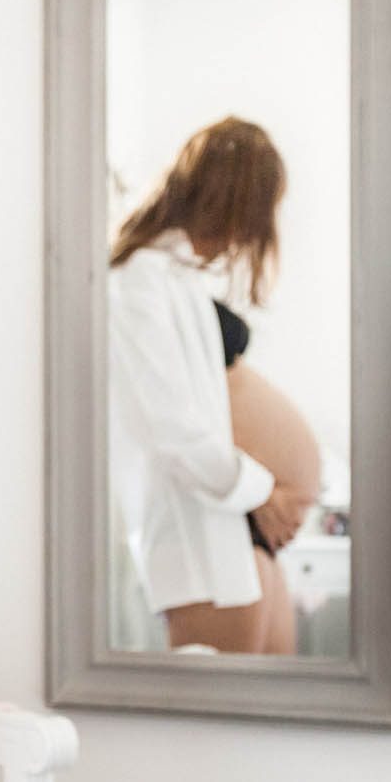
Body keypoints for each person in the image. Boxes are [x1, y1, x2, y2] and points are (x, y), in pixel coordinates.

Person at [107, 115, 317, 655]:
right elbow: (171, 428)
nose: (252, 234)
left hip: (233, 528)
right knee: (226, 733)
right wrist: (263, 493)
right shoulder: (139, 280)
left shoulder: (179, 278)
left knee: (267, 719)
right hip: (202, 535)